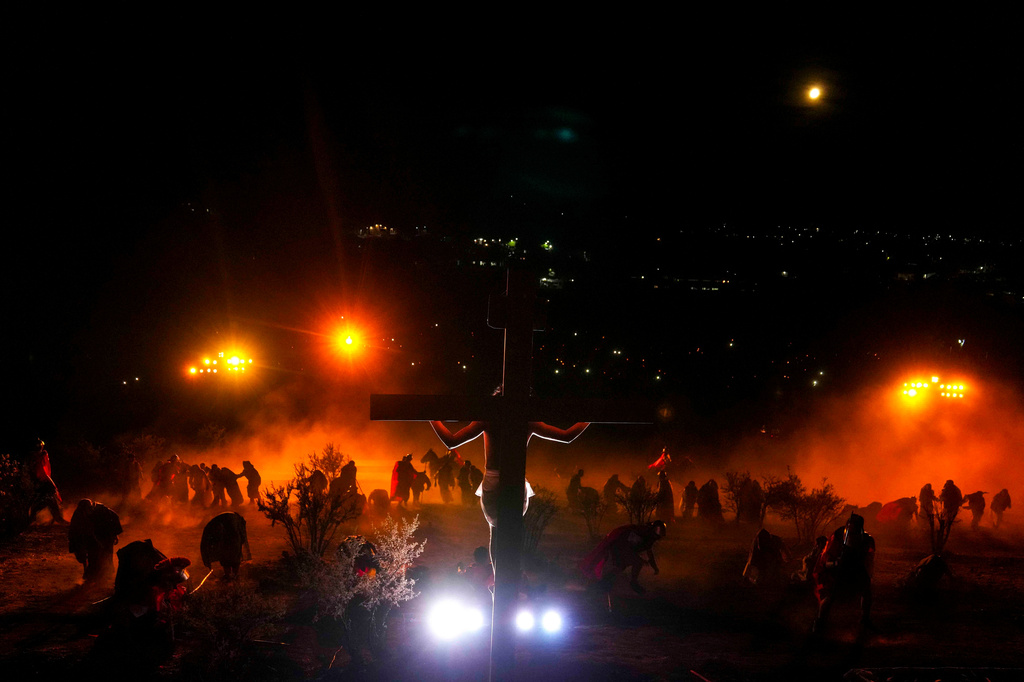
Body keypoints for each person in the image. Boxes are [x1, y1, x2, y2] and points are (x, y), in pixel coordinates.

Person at [429, 418, 589, 570]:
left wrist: (431, 418)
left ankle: (498, 581)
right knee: (511, 534)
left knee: (496, 531)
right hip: (515, 481)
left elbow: (451, 441)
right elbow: (567, 436)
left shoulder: (489, 419)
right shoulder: (527, 421)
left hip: (494, 480)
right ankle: (509, 581)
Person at [812, 513, 875, 634]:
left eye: (854, 527)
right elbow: (826, 561)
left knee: (866, 591)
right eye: (850, 526)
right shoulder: (838, 537)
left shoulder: (867, 539)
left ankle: (865, 619)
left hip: (856, 568)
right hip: (837, 569)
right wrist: (836, 564)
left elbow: (869, 559)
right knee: (830, 596)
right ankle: (818, 622)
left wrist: (868, 575)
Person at [580, 520, 667, 595]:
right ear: (653, 529)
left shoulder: (650, 537)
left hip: (624, 549)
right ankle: (632, 583)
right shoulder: (641, 533)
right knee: (635, 563)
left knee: (620, 567)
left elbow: (649, 552)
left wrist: (654, 567)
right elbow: (626, 546)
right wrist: (638, 559)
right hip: (619, 547)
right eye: (658, 532)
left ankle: (602, 584)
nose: (658, 536)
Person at [68, 498, 123, 581]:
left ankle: (106, 573)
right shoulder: (78, 516)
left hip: (106, 532)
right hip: (94, 534)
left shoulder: (102, 512)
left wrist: (115, 535)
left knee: (105, 553)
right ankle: (91, 573)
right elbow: (75, 533)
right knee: (93, 553)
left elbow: (114, 519)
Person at [200, 511, 251, 578]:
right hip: (227, 536)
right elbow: (243, 538)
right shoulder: (235, 521)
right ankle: (231, 574)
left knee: (229, 556)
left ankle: (230, 574)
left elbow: (242, 537)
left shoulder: (235, 522)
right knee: (230, 556)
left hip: (230, 536)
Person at [27, 438, 64, 523]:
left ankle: (57, 518)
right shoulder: (34, 457)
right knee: (43, 500)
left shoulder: (42, 455)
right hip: (39, 481)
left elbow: (43, 469)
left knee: (51, 500)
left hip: (42, 481)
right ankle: (31, 519)